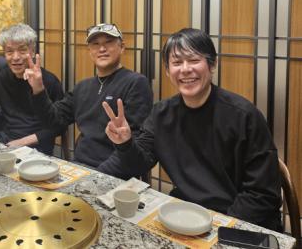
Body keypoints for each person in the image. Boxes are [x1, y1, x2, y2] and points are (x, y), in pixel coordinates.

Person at [103, 28, 282, 231]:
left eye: (194, 60)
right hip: (185, 215)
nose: (186, 69)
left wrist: (221, 230)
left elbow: (262, 194)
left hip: (237, 221)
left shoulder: (244, 116)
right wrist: (125, 143)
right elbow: (140, 163)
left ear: (212, 65)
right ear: (168, 71)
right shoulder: (161, 114)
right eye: (177, 63)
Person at [23, 23, 152, 175]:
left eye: (108, 42)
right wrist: (38, 89)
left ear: (122, 47)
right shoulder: (82, 87)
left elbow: (135, 144)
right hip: (79, 167)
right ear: (89, 51)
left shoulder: (136, 83)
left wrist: (95, 176)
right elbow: (53, 121)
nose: (102, 49)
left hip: (114, 173)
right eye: (95, 44)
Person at [0, 23, 64, 155]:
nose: (16, 57)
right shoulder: (2, 76)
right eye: (9, 51)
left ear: (32, 51)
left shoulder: (49, 81)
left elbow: (59, 126)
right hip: (5, 141)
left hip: (37, 147)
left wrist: (21, 142)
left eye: (22, 50)